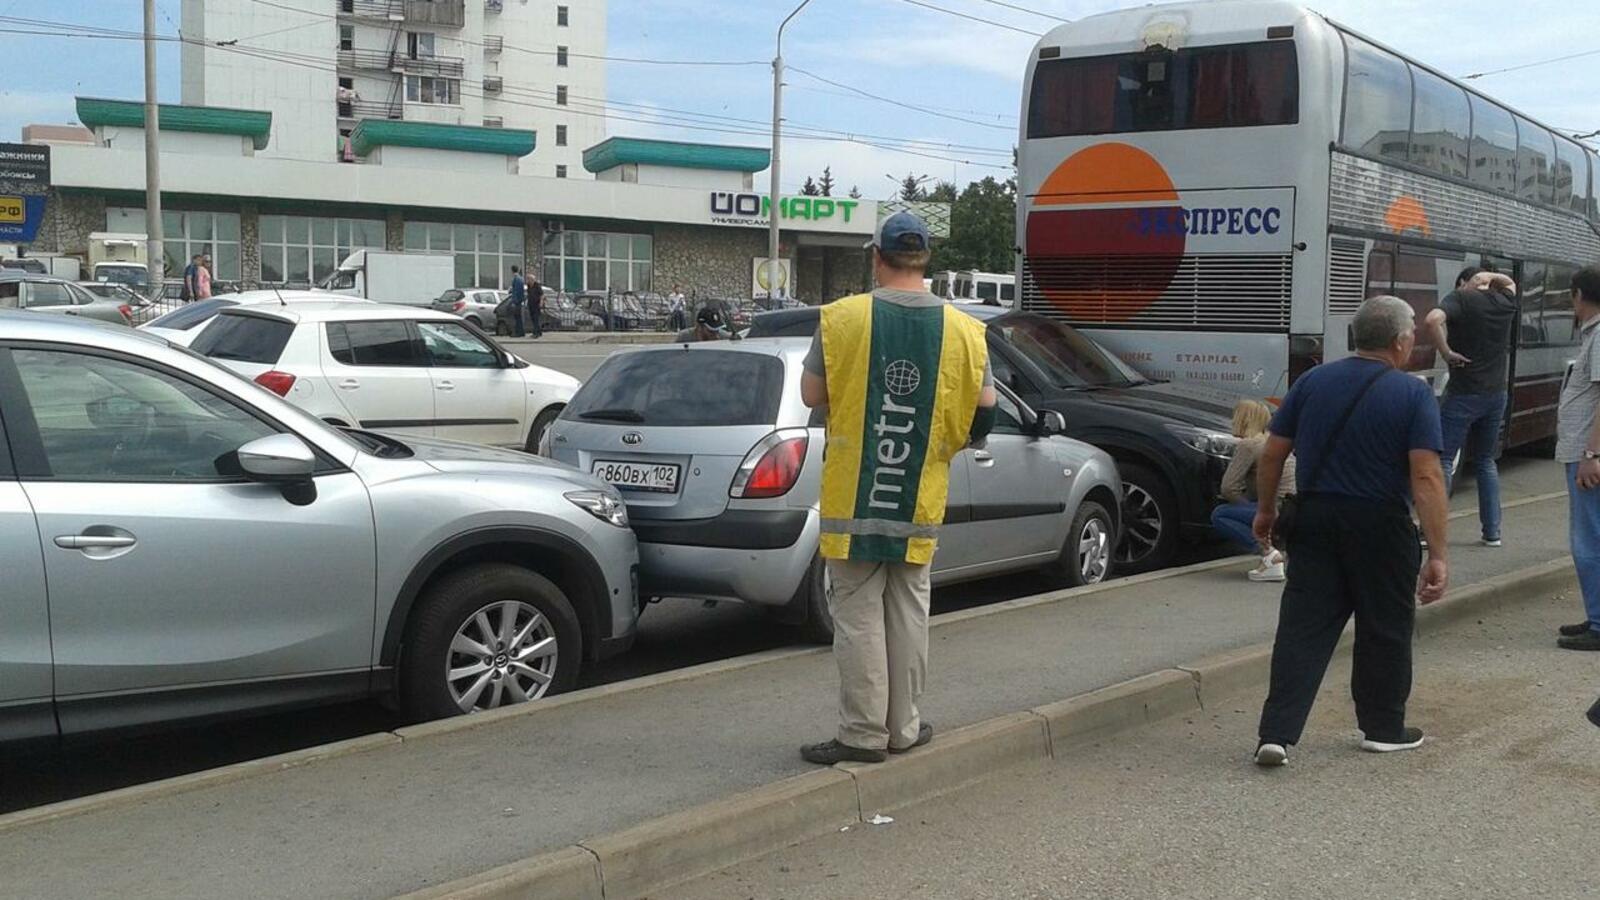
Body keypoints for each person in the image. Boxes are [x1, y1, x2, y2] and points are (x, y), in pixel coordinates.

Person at [797, 212, 997, 765]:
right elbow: (985, 416)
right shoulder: (965, 330)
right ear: (924, 259)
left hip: (854, 501)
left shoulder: (842, 319)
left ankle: (862, 735)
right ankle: (904, 728)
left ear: (877, 258)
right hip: (918, 495)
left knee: (858, 617)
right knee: (909, 611)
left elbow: (813, 394)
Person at [1251, 295, 1449, 768]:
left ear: (1355, 337)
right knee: (1385, 625)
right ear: (1402, 342)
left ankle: (1276, 734)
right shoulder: (1413, 394)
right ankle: (1383, 728)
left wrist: (1264, 509)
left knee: (1302, 627)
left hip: (1315, 519)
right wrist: (1438, 552)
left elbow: (1273, 453)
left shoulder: (1313, 381)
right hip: (1380, 523)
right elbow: (1425, 477)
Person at [1423, 267, 1518, 547]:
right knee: (1486, 461)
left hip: (1464, 394)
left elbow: (1431, 321)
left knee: (1443, 460)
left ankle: (1431, 532)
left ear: (1464, 282)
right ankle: (1492, 532)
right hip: (1496, 395)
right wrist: (1487, 277)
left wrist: (1446, 352)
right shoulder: (1505, 302)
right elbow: (1509, 282)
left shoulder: (1460, 299)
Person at [1555, 265, 1600, 651]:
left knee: (1588, 540)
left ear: (1580, 295)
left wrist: (1592, 453)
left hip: (1589, 456)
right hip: (1585, 452)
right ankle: (1596, 615)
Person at [1210, 398, 1296, 582]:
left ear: (1242, 419)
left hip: (1276, 508)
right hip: (1292, 507)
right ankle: (1275, 554)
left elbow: (1228, 487)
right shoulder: (1271, 441)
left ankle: (1268, 553)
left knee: (1220, 514)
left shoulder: (1248, 445)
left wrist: (1247, 506)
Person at [506, 266, 527, 337]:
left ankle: (519, 332)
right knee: (518, 317)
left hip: (517, 301)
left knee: (517, 317)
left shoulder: (516, 279)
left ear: (512, 271)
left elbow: (516, 291)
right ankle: (520, 332)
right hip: (519, 300)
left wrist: (514, 301)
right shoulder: (520, 278)